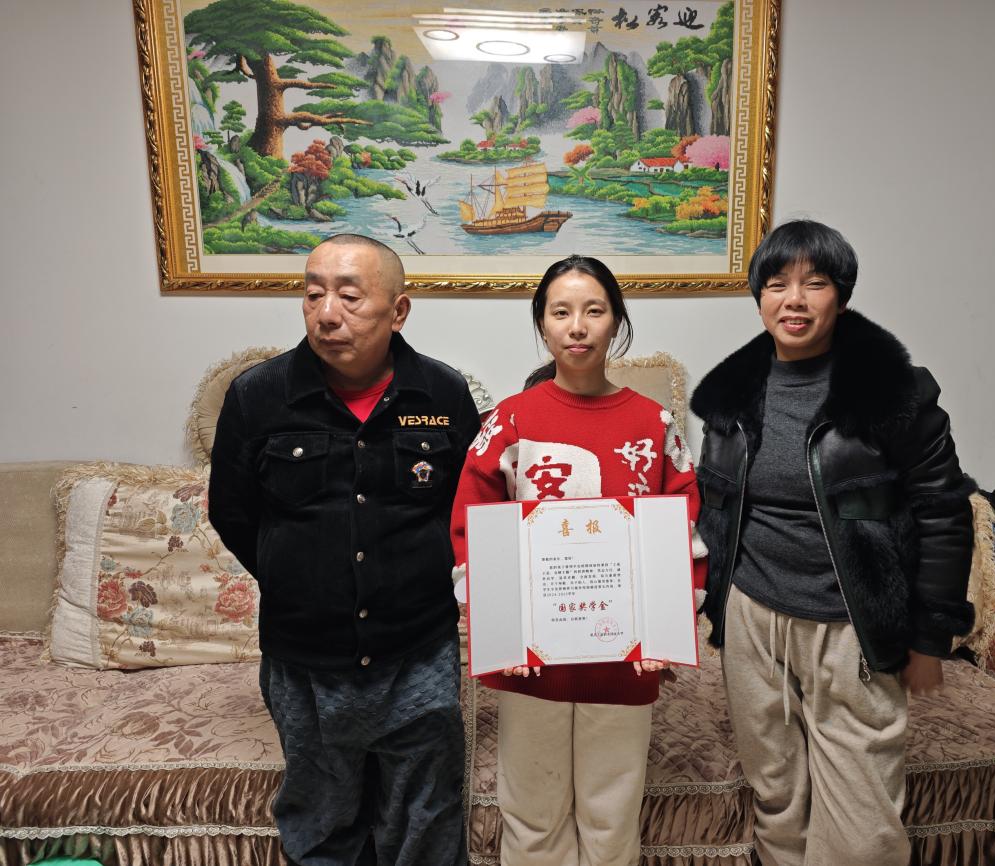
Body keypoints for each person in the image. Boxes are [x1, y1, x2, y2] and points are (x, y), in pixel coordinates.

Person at [690, 220, 975, 866]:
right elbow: (717, 508)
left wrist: (930, 638)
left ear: (841, 297)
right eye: (777, 284)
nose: (793, 300)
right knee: (776, 794)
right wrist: (711, 605)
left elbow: (944, 512)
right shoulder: (730, 398)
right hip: (753, 617)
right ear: (759, 298)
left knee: (863, 821)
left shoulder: (894, 394)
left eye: (814, 283)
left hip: (851, 624)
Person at [208, 234, 480, 866]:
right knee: (322, 822)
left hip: (418, 651)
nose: (327, 313)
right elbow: (233, 513)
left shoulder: (442, 394)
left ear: (399, 310)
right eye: (313, 295)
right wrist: (299, 577)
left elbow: (469, 510)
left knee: (425, 822)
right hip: (305, 657)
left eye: (349, 296)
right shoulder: (256, 396)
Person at [449, 254, 707, 866]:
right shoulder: (511, 419)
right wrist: (499, 628)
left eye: (594, 310)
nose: (578, 326)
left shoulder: (653, 423)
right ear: (542, 323)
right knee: (532, 812)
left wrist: (665, 630)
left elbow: (683, 531)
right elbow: (472, 523)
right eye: (560, 312)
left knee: (611, 814)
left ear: (617, 320)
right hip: (531, 661)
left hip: (624, 660)